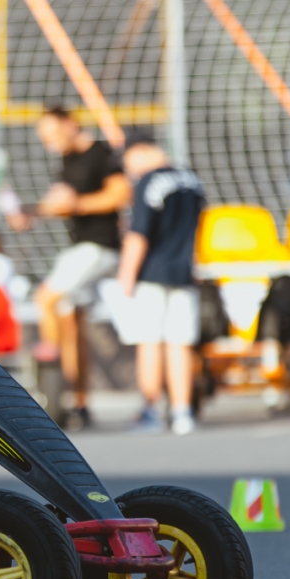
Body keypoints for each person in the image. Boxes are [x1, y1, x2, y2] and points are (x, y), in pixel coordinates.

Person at [7, 104, 130, 429]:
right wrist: (31, 213)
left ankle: (51, 375)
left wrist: (79, 204)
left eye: (51, 132)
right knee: (70, 321)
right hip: (80, 247)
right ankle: (79, 402)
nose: (47, 140)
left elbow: (121, 193)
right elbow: (62, 205)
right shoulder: (67, 160)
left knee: (46, 298)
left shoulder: (100, 153)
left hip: (100, 247)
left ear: (70, 124)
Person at [115, 136, 205, 435]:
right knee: (180, 344)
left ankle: (151, 410)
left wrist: (127, 274)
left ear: (141, 151)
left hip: (153, 272)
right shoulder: (191, 180)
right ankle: (182, 411)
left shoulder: (149, 182)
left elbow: (139, 233)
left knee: (150, 341)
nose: (130, 170)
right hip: (184, 272)